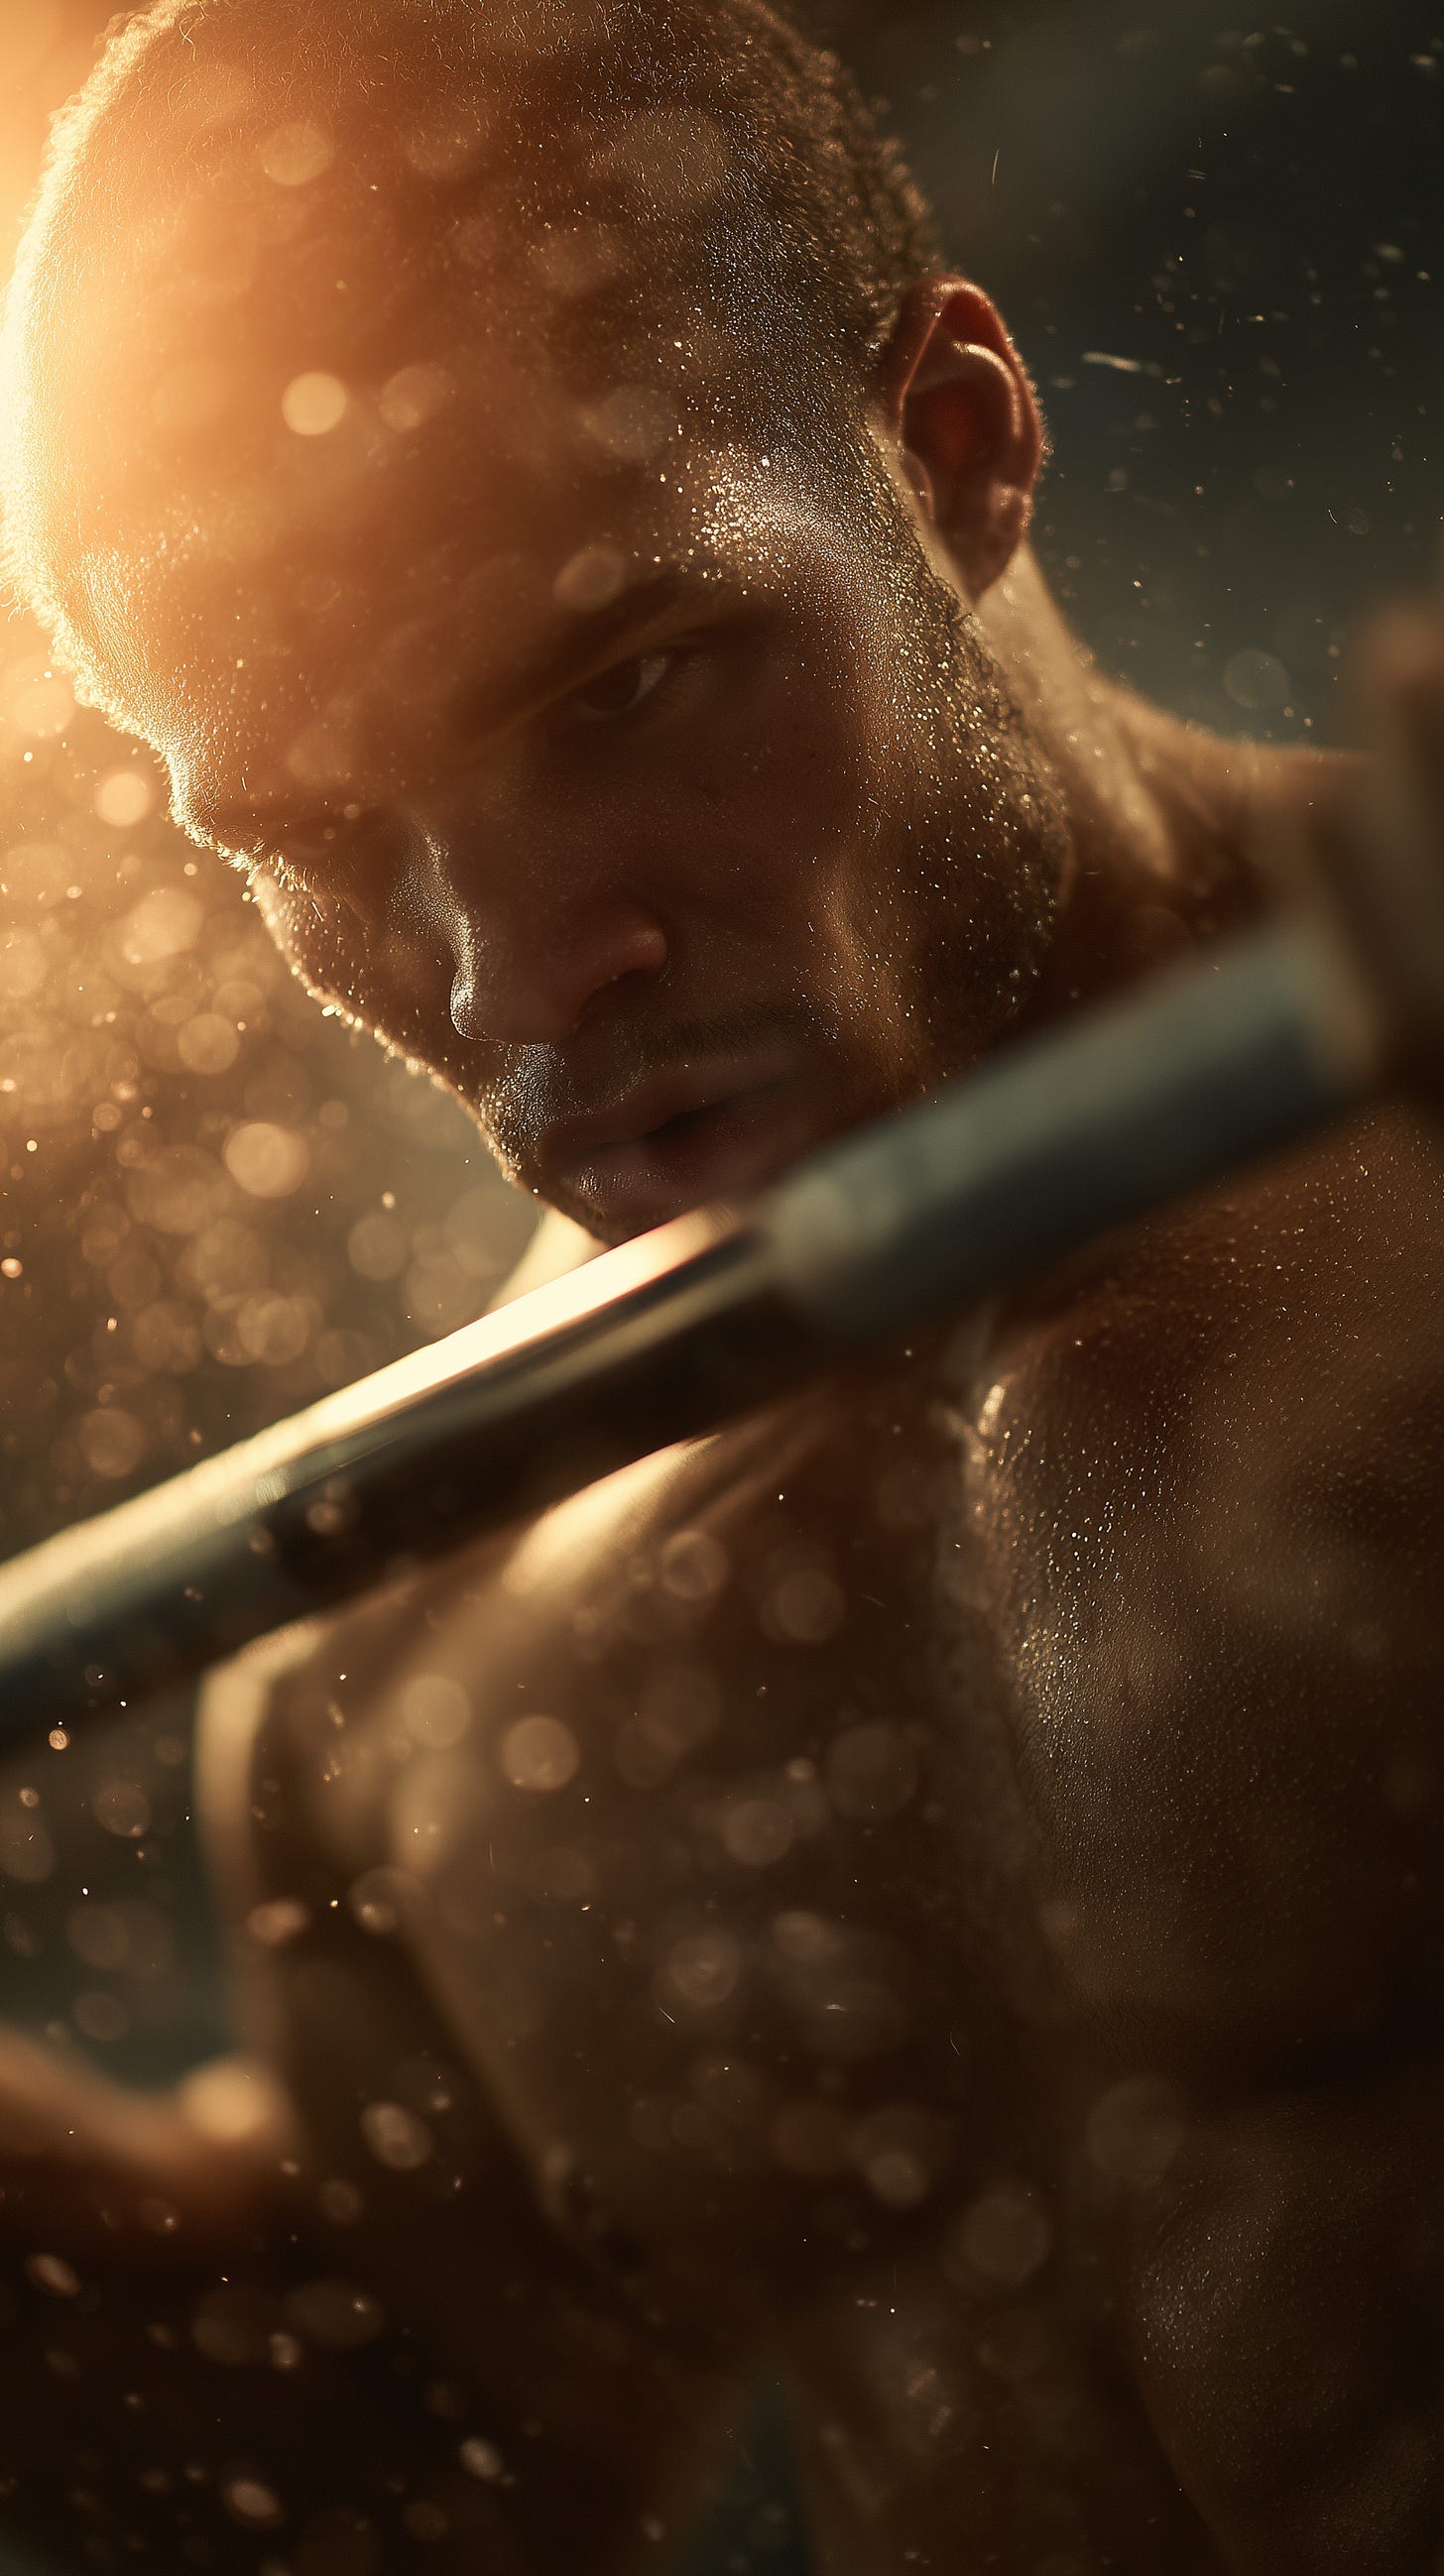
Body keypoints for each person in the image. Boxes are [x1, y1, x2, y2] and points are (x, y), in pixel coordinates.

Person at [1, 2, 1442, 2569]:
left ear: (955, 449)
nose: (525, 978)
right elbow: (393, 2466)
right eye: (321, 839)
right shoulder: (405, 1665)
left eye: (628, 681)